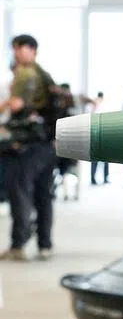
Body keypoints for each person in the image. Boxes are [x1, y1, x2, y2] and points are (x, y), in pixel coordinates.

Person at [1, 35, 60, 260]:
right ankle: (44, 244)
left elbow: (16, 105)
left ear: (32, 49)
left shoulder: (26, 73)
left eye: (19, 48)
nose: (16, 53)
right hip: (48, 143)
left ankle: (18, 244)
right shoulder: (44, 74)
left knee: (21, 192)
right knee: (44, 194)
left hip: (29, 146)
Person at [89, 91, 110, 185]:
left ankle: (95, 178)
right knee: (102, 160)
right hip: (102, 135)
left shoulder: (95, 105)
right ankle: (101, 178)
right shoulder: (98, 105)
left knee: (96, 159)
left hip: (96, 135)